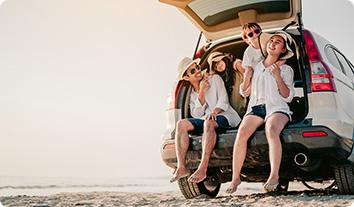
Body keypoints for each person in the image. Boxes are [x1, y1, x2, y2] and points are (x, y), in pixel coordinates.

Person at [226, 31, 296, 193]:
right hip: (256, 107)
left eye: (278, 42)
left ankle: (274, 175)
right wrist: (246, 77)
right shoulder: (256, 66)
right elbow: (245, 92)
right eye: (271, 40)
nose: (273, 43)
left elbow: (288, 97)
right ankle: (236, 177)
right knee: (242, 132)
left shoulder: (286, 69)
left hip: (277, 107)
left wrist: (277, 76)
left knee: (271, 130)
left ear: (283, 50)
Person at [170, 57, 241, 183]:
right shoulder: (191, 94)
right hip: (205, 118)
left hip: (225, 115)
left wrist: (214, 112)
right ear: (186, 78)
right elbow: (196, 114)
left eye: (197, 68)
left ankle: (203, 168)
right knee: (181, 124)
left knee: (208, 122)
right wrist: (202, 91)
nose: (198, 71)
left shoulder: (214, 79)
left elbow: (223, 101)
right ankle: (181, 167)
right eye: (192, 71)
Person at [207, 51, 247, 116]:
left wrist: (246, 87)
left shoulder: (236, 64)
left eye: (218, 62)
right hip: (237, 111)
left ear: (223, 59)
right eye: (215, 66)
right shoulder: (222, 78)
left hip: (247, 100)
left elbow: (248, 75)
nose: (218, 66)